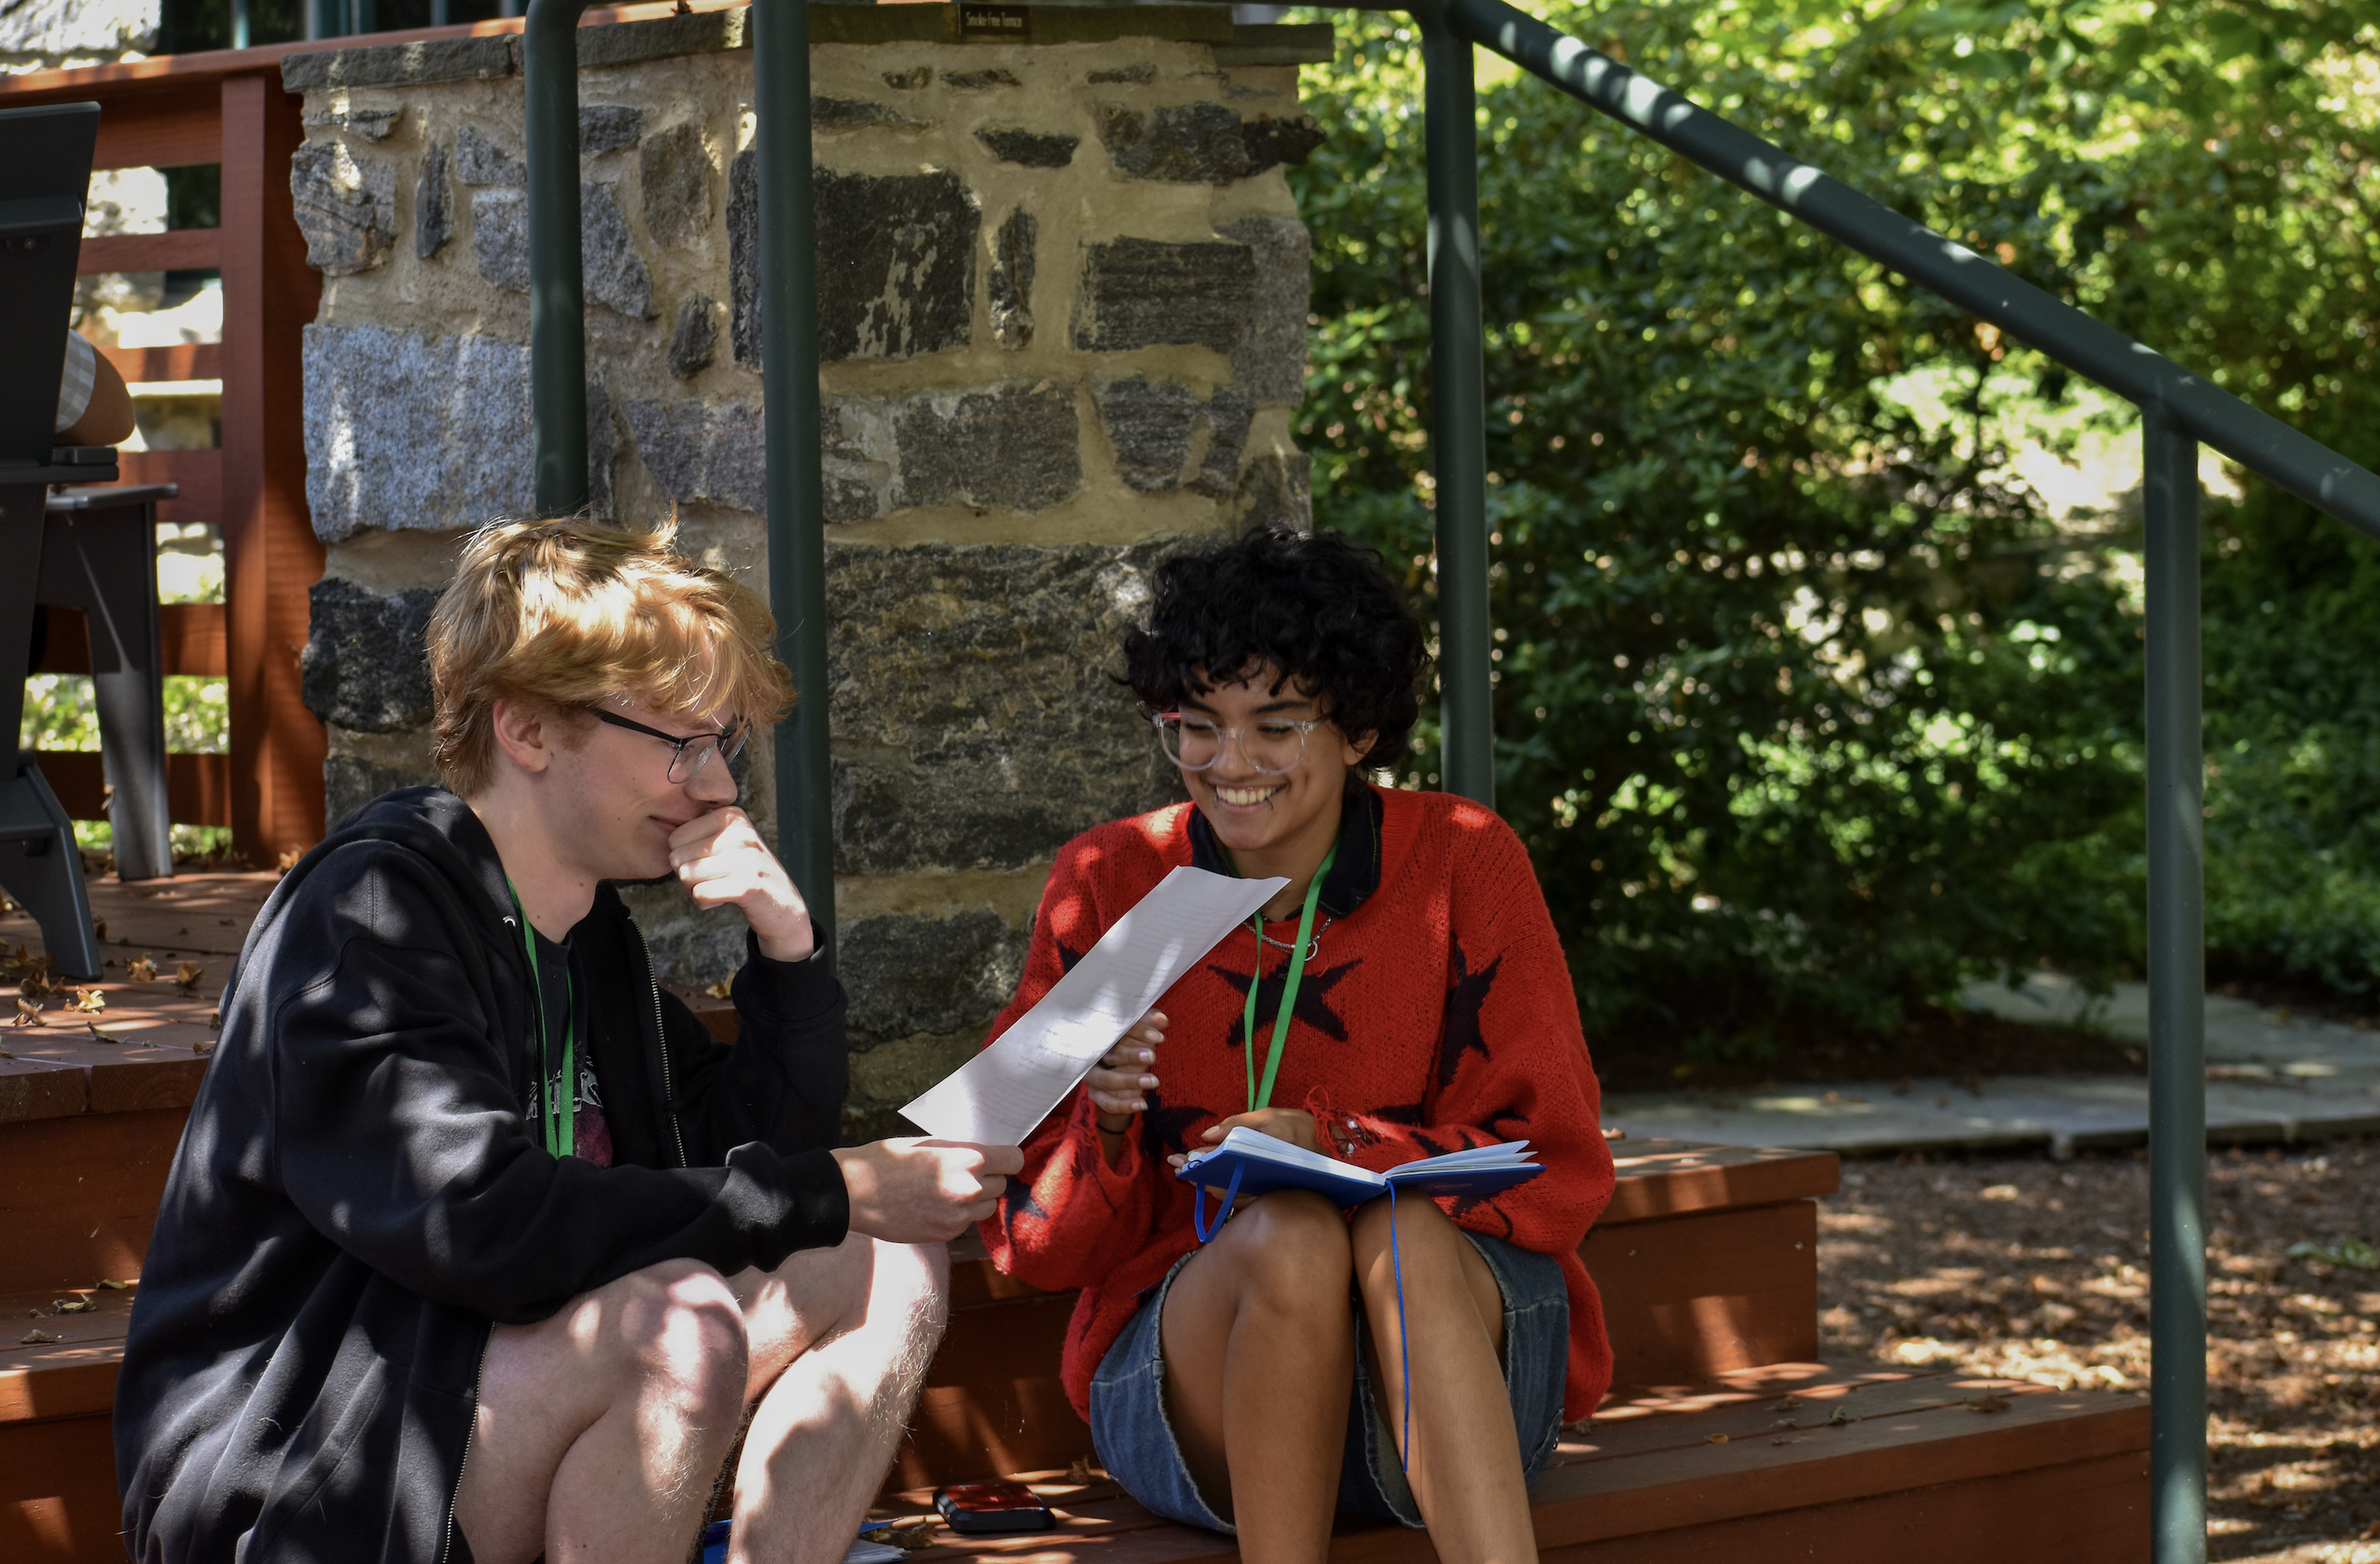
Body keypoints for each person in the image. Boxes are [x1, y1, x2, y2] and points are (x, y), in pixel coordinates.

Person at [115, 517, 1022, 1564]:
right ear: (528, 729)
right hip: (297, 1480)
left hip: (471, 1400)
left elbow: (736, 1159)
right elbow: (482, 1222)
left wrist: (787, 952)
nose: (719, 787)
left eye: (722, 745)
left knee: (887, 1259)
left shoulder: (588, 936)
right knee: (676, 1328)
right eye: (681, 744)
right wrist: (833, 1184)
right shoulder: (370, 917)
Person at [981, 525, 1617, 1564]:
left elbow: (1560, 1166)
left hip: (1460, 1371)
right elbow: (1036, 1247)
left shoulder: (1466, 858)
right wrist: (1102, 1121)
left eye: (1274, 726)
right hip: (1203, 1394)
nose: (1228, 765)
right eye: (1195, 727)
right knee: (1291, 1235)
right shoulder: (1111, 879)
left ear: (1357, 728)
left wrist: (1336, 1144)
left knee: (1399, 1235)